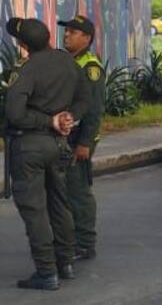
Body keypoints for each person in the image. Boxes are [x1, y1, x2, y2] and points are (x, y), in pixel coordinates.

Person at [4, 17, 89, 290]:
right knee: (59, 204)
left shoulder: (27, 69)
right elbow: (85, 98)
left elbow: (15, 114)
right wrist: (69, 117)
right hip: (59, 145)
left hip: (30, 146)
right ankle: (66, 262)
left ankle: (46, 271)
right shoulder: (68, 62)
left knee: (34, 210)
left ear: (23, 44)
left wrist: (49, 121)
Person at [58, 15, 104, 262]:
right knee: (64, 190)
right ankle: (69, 239)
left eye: (73, 32)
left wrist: (85, 143)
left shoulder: (90, 68)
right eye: (67, 31)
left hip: (80, 139)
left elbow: (93, 110)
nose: (67, 34)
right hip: (67, 136)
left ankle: (85, 244)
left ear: (86, 38)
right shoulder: (69, 61)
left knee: (78, 191)